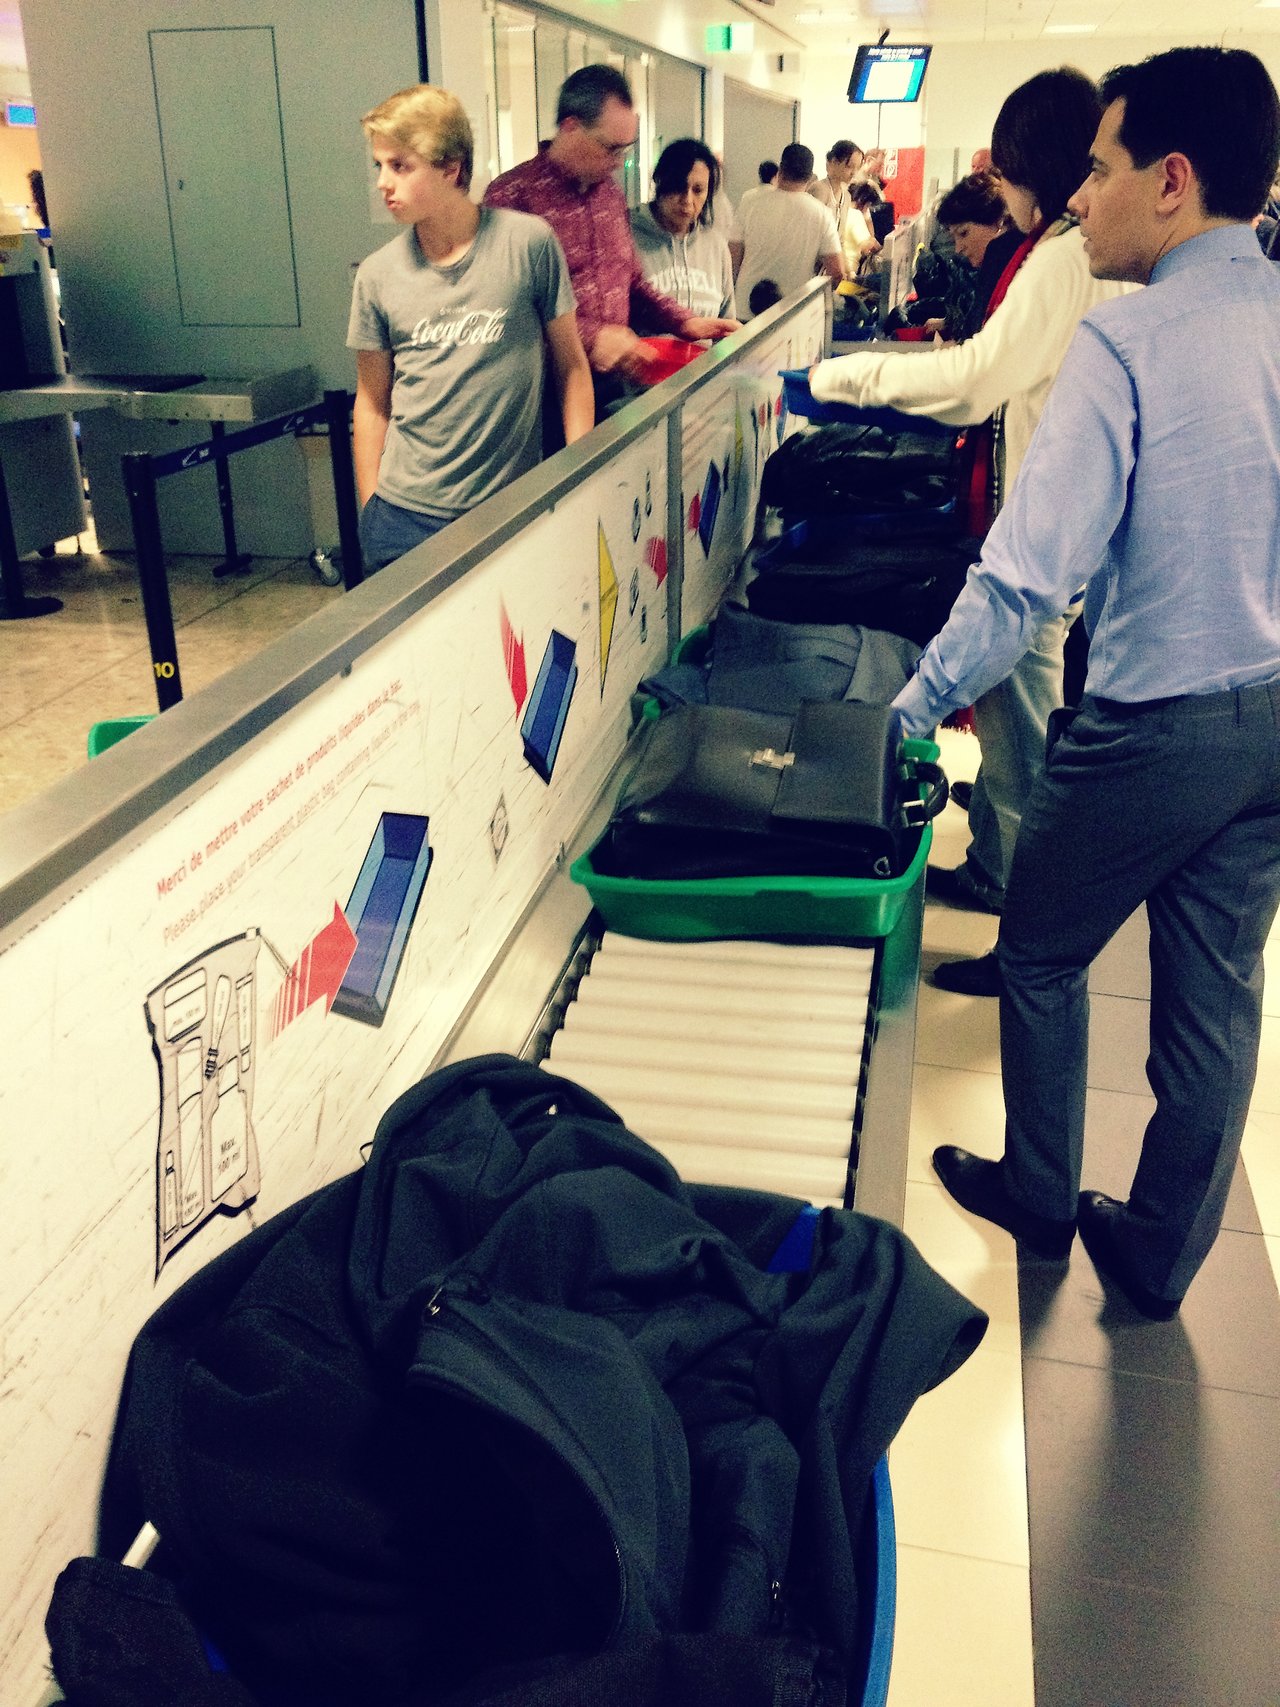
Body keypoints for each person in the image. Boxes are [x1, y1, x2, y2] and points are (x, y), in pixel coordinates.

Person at [905, 46, 1280, 1319]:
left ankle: (1039, 1187)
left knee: (1039, 952)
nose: (1075, 200)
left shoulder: (1125, 345)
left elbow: (1025, 578)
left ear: (1169, 181)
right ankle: (1158, 1254)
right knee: (1215, 1005)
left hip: (1148, 725)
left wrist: (911, 708)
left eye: (1101, 170)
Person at [809, 69, 1132, 994]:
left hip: (1043, 549)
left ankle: (1023, 951)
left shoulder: (1066, 259)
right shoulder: (1093, 261)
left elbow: (973, 381)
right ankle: (991, 869)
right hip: (1064, 539)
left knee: (1024, 755)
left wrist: (844, 380)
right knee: (1008, 728)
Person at [347, 84, 593, 572]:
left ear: (451, 168)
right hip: (404, 520)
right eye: (379, 166)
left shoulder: (528, 244)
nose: (382, 182)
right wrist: (371, 509)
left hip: (509, 512)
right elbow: (372, 403)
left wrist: (576, 480)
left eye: (400, 165)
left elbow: (571, 367)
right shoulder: (377, 275)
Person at [483, 65, 739, 410]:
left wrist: (684, 321)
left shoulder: (611, 196)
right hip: (540, 396)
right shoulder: (511, 197)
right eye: (611, 149)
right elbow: (502, 308)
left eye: (626, 150)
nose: (619, 163)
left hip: (613, 385)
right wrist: (591, 337)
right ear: (571, 128)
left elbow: (632, 281)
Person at [730, 142, 845, 319]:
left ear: (780, 170)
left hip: (745, 309)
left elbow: (733, 255)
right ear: (809, 177)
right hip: (792, 315)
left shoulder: (750, 200)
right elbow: (837, 272)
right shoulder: (821, 213)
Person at [629, 139, 736, 319]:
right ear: (659, 180)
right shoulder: (627, 235)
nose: (687, 200)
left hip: (705, 348)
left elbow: (726, 321)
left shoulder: (715, 246)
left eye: (698, 190)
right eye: (678, 186)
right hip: (645, 346)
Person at [809, 140, 862, 240]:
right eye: (849, 166)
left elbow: (840, 239)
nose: (853, 173)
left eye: (857, 168)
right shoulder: (820, 189)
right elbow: (812, 233)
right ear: (834, 162)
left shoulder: (846, 196)